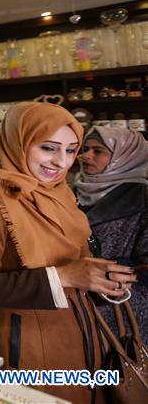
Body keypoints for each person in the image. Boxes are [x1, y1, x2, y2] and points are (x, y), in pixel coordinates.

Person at [0, 102, 137, 403]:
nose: (62, 162)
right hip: (27, 342)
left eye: (70, 150)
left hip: (82, 336)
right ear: (20, 140)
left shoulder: (58, 190)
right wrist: (66, 275)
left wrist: (100, 281)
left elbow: (75, 262)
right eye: (48, 148)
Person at [76, 126, 148, 337]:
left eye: (98, 151)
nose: (86, 156)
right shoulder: (70, 191)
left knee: (118, 365)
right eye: (85, 149)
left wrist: (104, 270)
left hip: (124, 309)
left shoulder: (142, 199)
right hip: (75, 301)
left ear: (125, 156)